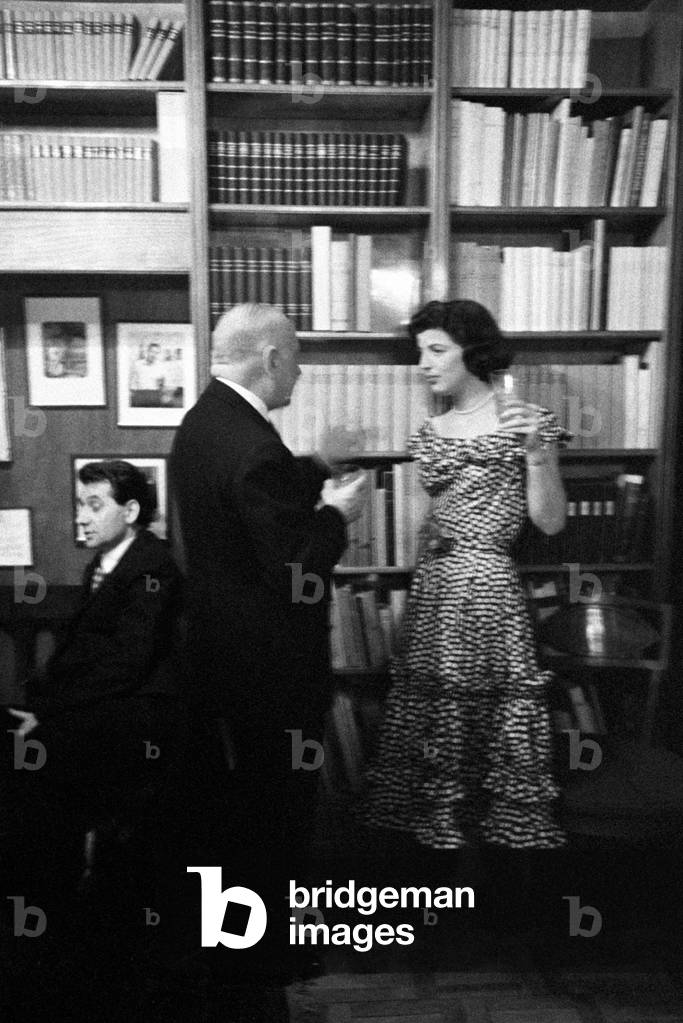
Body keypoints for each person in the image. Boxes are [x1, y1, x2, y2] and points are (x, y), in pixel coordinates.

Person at [169, 303, 366, 983]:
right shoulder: (251, 440)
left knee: (239, 810)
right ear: (273, 357)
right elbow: (293, 569)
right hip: (270, 670)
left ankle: (234, 944)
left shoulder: (204, 424)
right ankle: (271, 956)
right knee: (275, 814)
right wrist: (337, 516)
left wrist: (313, 465)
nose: (301, 372)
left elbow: (250, 504)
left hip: (223, 660)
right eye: (297, 358)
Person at [362, 299, 568, 851]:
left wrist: (538, 457)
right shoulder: (430, 430)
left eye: (436, 350)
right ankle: (439, 833)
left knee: (492, 702)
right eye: (419, 353)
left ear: (472, 352)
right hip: (435, 585)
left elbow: (549, 523)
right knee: (433, 701)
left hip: (491, 585)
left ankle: (494, 841)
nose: (424, 364)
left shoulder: (527, 420)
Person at [1, 460, 183, 911]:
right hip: (101, 704)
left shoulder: (151, 567)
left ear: (131, 510)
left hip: (139, 714)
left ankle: (48, 893)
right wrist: (42, 704)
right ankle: (39, 882)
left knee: (31, 753)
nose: (81, 516)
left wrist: (47, 713)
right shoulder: (104, 562)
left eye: (95, 505)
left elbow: (127, 665)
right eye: (80, 504)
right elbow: (82, 655)